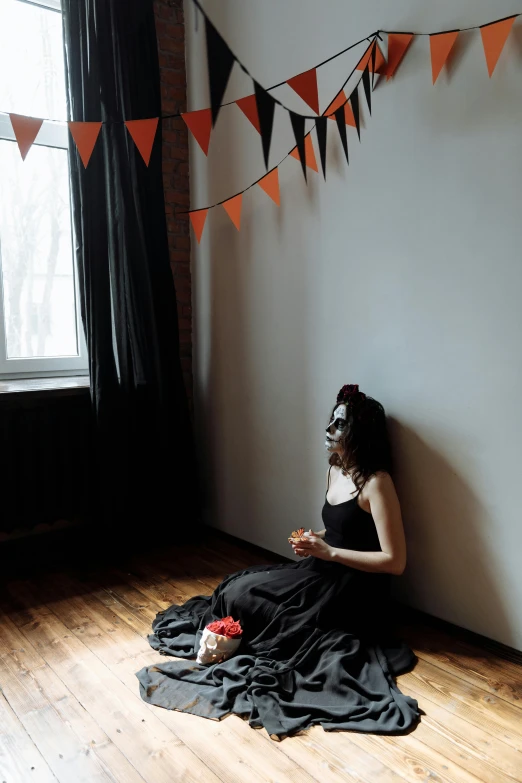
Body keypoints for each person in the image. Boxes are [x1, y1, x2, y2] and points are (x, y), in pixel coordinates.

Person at [136, 384, 420, 740]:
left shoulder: (377, 483)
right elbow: (338, 530)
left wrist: (329, 552)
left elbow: (395, 561)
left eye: (340, 425)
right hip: (321, 569)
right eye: (331, 421)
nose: (329, 430)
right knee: (235, 589)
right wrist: (313, 539)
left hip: (353, 588)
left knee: (279, 620)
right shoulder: (336, 469)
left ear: (361, 434)